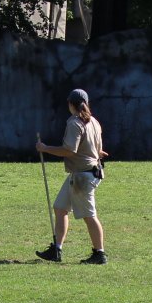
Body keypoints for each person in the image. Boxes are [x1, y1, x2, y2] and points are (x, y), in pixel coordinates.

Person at [34, 89, 108, 265]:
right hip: (84, 174)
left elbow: (69, 150)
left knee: (89, 215)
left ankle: (100, 254)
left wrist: (45, 148)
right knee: (60, 208)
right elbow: (98, 149)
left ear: (70, 104)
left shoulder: (75, 123)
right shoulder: (94, 122)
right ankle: (57, 249)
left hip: (83, 177)